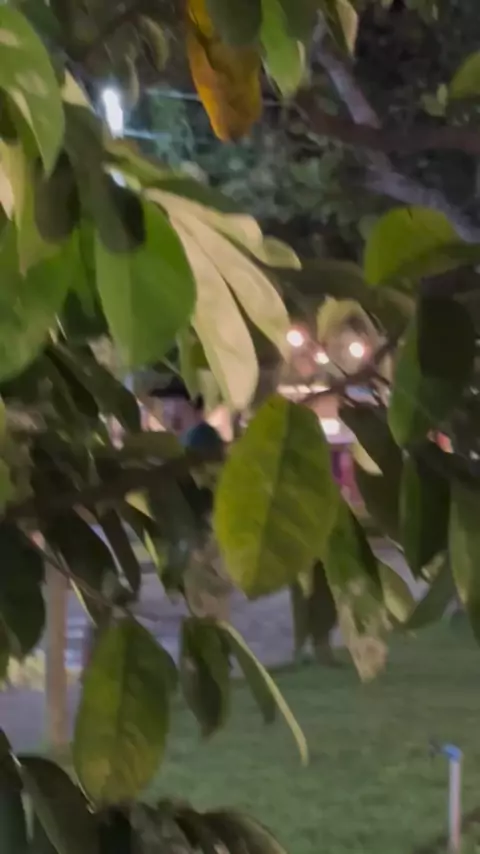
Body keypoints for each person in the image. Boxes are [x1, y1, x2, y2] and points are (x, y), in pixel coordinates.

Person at [147, 377, 231, 620]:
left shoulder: (201, 438)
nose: (166, 410)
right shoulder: (186, 439)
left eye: (171, 402)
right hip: (200, 534)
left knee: (208, 604)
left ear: (191, 405)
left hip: (206, 535)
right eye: (164, 404)